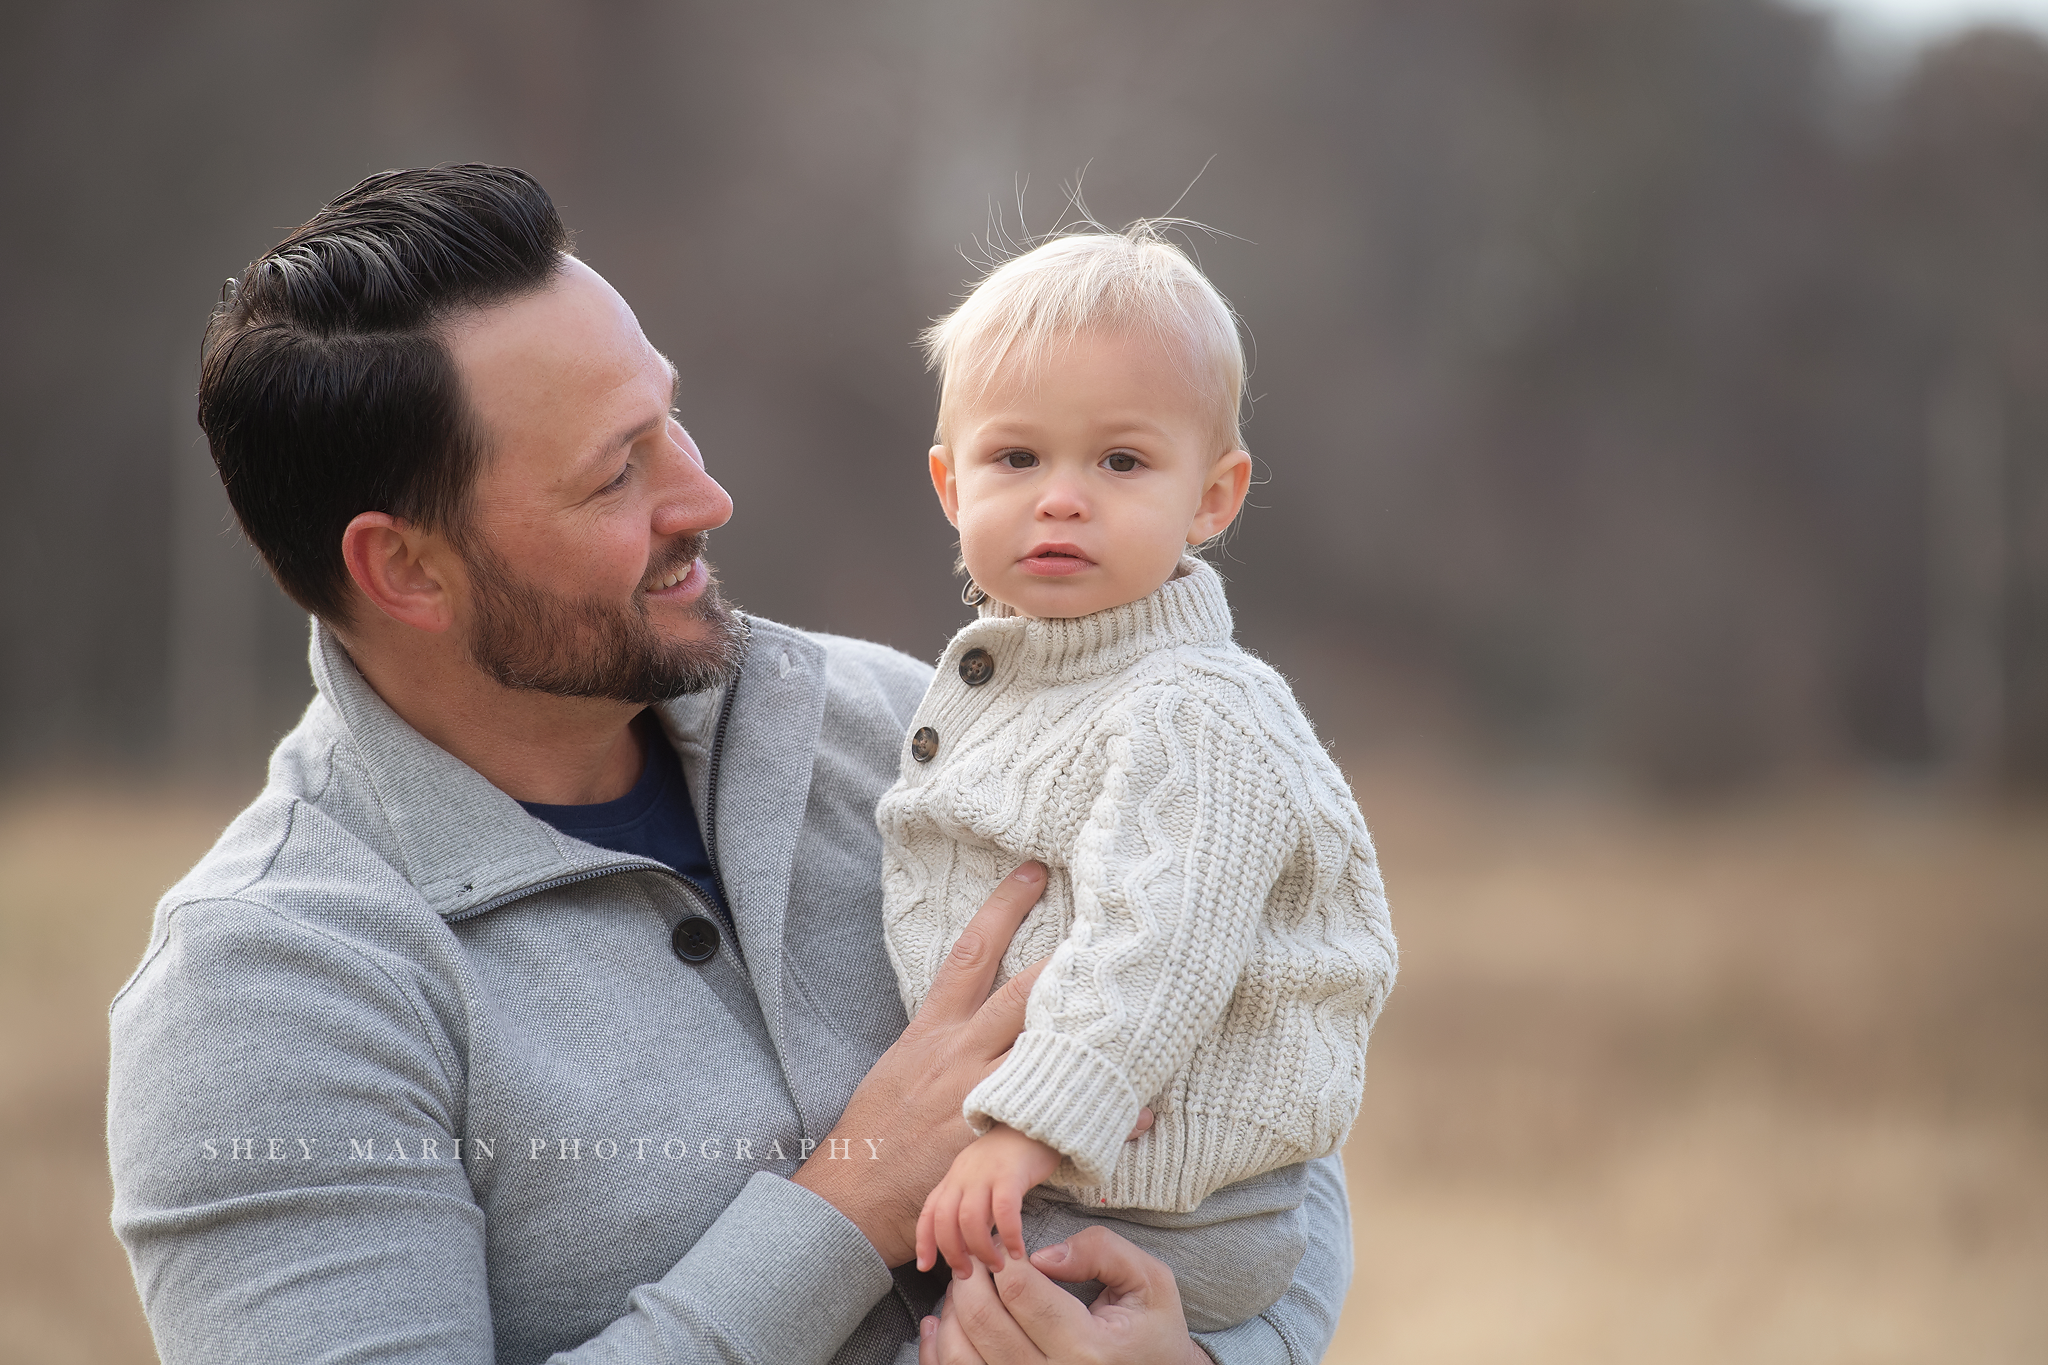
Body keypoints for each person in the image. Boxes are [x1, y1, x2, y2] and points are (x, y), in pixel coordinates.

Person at [106, 164, 1356, 1364]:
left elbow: (1253, 1100)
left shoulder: (901, 722)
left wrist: (1197, 1355)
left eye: (671, 418)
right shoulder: (266, 994)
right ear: (405, 571)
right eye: (615, 473)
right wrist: (852, 1200)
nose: (704, 496)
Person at [880, 228, 1397, 1310]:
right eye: (1015, 459)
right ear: (947, 484)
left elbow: (1158, 945)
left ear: (1211, 499)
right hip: (1074, 1170)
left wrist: (1027, 1128)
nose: (1061, 498)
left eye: (1119, 461)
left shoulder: (1194, 706)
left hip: (1166, 1210)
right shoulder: (1037, 691)